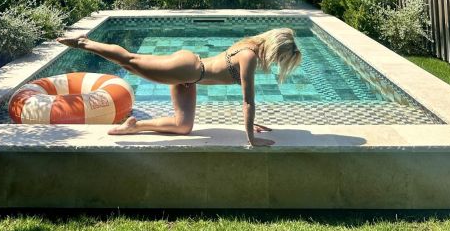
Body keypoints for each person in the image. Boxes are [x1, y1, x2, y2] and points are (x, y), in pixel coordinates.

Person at [56, 27, 301, 147]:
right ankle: (84, 43)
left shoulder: (249, 48)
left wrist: (251, 124)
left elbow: (240, 95)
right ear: (275, 49)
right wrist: (251, 138)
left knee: (183, 127)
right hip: (187, 68)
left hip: (190, 78)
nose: (277, 63)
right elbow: (248, 101)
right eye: (280, 58)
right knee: (131, 62)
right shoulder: (249, 56)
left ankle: (135, 126)